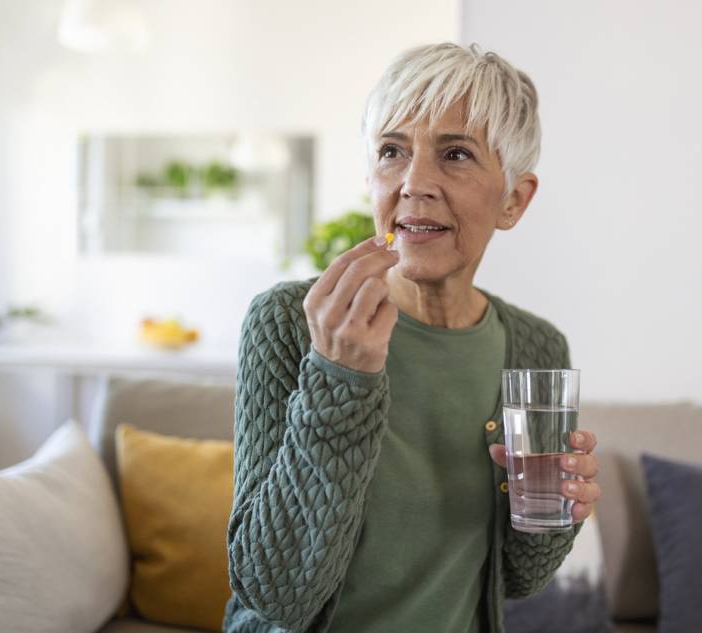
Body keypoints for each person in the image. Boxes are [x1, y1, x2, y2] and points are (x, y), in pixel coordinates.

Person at [224, 42, 602, 633]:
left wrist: (559, 514)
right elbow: (274, 593)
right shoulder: (289, 321)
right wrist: (338, 377)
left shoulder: (536, 347)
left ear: (514, 200)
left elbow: (521, 578)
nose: (414, 183)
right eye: (392, 152)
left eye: (455, 154)